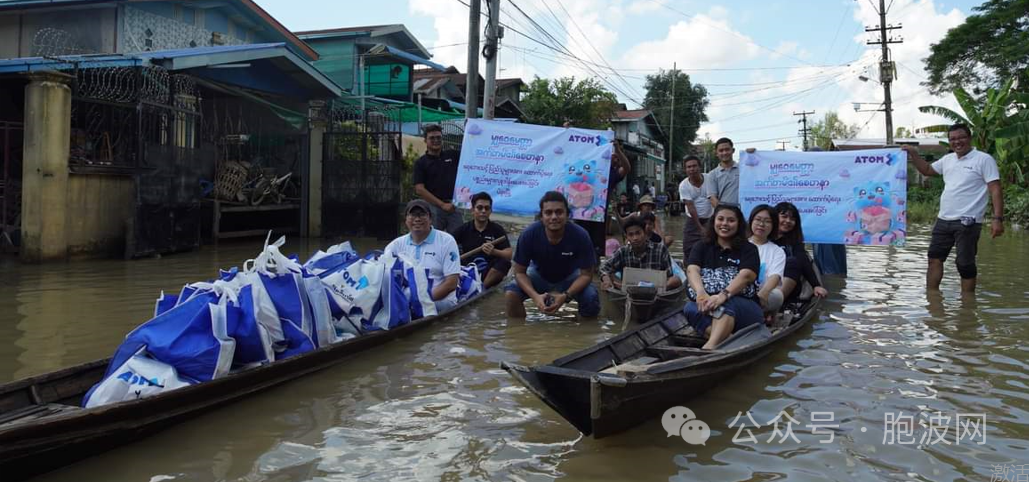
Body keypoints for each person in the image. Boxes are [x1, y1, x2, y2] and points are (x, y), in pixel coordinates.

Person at [904, 124, 1005, 293]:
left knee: (965, 264)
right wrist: (913, 154)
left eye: (961, 137)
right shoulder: (948, 159)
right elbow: (927, 170)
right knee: (934, 259)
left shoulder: (983, 159)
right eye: (953, 139)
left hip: (969, 221)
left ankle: (967, 305)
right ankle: (932, 300)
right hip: (943, 219)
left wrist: (997, 219)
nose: (957, 142)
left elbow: (995, 188)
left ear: (969, 138)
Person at [505, 191, 601, 317]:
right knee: (511, 294)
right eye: (548, 212)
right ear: (541, 216)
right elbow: (519, 272)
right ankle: (518, 332)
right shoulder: (529, 234)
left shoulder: (581, 235)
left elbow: (586, 275)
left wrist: (565, 296)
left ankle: (584, 332)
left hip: (570, 277)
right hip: (538, 275)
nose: (554, 217)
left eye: (559, 212)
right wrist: (535, 297)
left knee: (591, 297)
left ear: (567, 215)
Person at [683, 204, 763, 350]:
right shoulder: (701, 246)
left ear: (739, 224)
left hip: (745, 309)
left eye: (731, 220)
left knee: (726, 304)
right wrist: (701, 294)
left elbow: (746, 276)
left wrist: (723, 295)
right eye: (720, 219)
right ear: (714, 222)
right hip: (710, 304)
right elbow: (692, 270)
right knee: (690, 307)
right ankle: (730, 340)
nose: (725, 224)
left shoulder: (749, 249)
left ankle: (709, 348)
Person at [383, 199, 461, 312]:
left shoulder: (446, 241)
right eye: (413, 215)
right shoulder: (394, 246)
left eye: (422, 215)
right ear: (405, 220)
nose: (417, 219)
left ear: (430, 219)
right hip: (406, 300)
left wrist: (420, 301)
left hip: (439, 300)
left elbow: (451, 284)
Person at [576, 139, 631, 261]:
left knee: (596, 249)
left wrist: (618, 150)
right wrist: (568, 133)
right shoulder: (586, 168)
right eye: (614, 156)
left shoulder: (612, 173)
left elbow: (626, 168)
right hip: (580, 213)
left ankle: (593, 271)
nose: (616, 160)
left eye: (617, 158)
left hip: (598, 215)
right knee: (577, 244)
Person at [599, 215, 682, 291]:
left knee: (676, 280)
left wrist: (660, 287)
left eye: (638, 233)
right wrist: (606, 280)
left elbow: (669, 275)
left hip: (656, 291)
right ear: (627, 237)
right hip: (628, 290)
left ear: (645, 234)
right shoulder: (622, 251)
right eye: (631, 235)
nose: (635, 238)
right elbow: (604, 267)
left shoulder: (660, 250)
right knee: (609, 277)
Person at [452, 192, 512, 289]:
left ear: (491, 211)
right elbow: (448, 247)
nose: (483, 211)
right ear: (472, 210)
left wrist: (494, 251)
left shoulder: (497, 229)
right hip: (468, 269)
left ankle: (481, 288)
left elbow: (509, 254)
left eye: (487, 208)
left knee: (504, 263)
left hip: (488, 272)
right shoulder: (463, 229)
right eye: (479, 208)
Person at [413, 124, 463, 233]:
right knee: (433, 240)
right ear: (425, 140)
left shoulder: (453, 155)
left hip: (454, 206)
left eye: (438, 137)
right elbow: (419, 189)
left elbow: (470, 158)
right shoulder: (421, 163)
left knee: (457, 240)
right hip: (433, 208)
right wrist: (442, 205)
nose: (436, 140)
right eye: (432, 138)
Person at [774, 202, 829, 301]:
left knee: (792, 262)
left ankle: (775, 301)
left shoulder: (794, 243)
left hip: (787, 284)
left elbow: (804, 262)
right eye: (784, 216)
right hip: (764, 281)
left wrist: (815, 285)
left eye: (792, 219)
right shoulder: (763, 239)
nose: (788, 221)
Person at [747, 204, 786, 321]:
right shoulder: (740, 245)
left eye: (767, 221)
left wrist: (762, 294)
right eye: (758, 220)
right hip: (736, 291)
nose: (761, 224)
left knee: (777, 296)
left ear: (773, 226)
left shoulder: (777, 251)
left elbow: (775, 276)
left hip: (760, 294)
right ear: (751, 221)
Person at [678, 155, 712, 260]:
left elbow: (714, 198)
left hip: (710, 218)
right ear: (685, 170)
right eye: (689, 167)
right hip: (693, 220)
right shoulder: (684, 185)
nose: (692, 169)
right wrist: (700, 227)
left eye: (694, 166)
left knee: (712, 245)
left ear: (699, 167)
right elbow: (691, 207)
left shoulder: (710, 178)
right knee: (688, 247)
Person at [707, 137, 739, 207]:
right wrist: (724, 213)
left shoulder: (743, 170)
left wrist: (752, 153)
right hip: (725, 215)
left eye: (727, 149)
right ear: (716, 153)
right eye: (721, 151)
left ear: (733, 150)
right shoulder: (712, 175)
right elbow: (713, 198)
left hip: (744, 215)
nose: (724, 153)